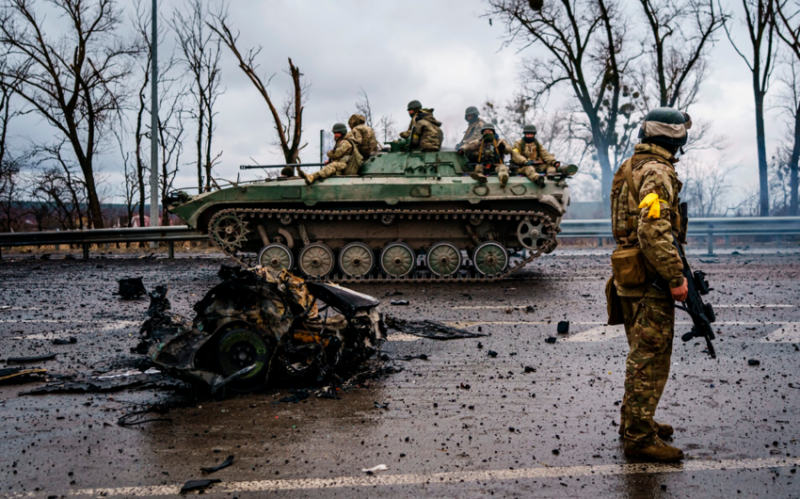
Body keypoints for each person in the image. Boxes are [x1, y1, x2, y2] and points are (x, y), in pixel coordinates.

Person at [608, 106, 692, 463]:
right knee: (650, 356)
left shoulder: (631, 166)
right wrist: (675, 277)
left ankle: (637, 421)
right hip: (650, 277)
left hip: (630, 273)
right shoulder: (657, 171)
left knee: (641, 353)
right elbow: (652, 229)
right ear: (674, 138)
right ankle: (639, 438)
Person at [297, 123, 363, 185]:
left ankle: (313, 177)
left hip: (347, 165)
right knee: (331, 165)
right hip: (343, 163)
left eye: (338, 133)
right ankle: (312, 176)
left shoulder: (346, 143)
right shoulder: (341, 141)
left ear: (342, 133)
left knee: (333, 166)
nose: (335, 135)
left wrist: (329, 153)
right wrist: (330, 160)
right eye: (335, 133)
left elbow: (336, 154)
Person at [458, 123, 511, 187]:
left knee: (503, 168)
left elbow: (509, 150)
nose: (487, 133)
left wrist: (503, 147)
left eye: (489, 131)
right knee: (478, 168)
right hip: (483, 165)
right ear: (483, 133)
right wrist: (462, 149)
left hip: (497, 165)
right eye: (485, 131)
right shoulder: (479, 142)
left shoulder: (499, 141)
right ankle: (481, 177)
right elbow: (468, 145)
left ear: (493, 132)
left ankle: (503, 179)